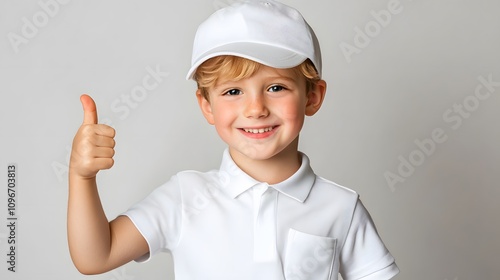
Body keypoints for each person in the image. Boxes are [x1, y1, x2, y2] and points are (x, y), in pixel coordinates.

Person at [67, 0, 400, 279]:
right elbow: (97, 256)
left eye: (276, 87)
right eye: (233, 91)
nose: (255, 109)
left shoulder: (341, 207)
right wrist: (81, 177)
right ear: (206, 105)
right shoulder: (185, 198)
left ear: (312, 96)